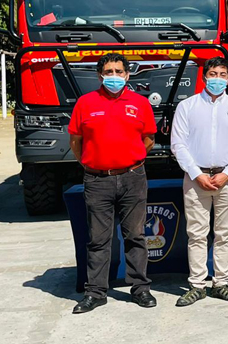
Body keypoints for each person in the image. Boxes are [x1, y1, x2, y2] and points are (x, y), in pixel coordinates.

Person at [68, 53, 157, 313]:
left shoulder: (140, 103)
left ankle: (140, 288)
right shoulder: (85, 103)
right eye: (109, 72)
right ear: (100, 76)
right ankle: (95, 292)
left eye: (119, 71)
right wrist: (91, 163)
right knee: (98, 239)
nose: (114, 76)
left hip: (133, 178)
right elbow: (75, 141)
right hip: (97, 180)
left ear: (128, 75)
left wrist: (130, 160)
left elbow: (148, 139)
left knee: (136, 236)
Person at [171, 57, 228, 306]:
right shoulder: (187, 107)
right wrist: (197, 173)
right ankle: (197, 284)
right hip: (196, 178)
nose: (217, 78)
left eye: (222, 74)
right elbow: (178, 144)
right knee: (196, 233)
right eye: (213, 74)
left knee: (224, 233)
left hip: (227, 179)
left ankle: (221, 282)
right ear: (204, 76)